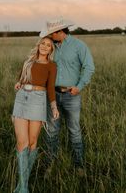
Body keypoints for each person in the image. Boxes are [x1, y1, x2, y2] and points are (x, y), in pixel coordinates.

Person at [40, 18, 95, 176]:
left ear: (60, 32)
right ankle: (50, 165)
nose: (49, 37)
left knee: (74, 131)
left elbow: (89, 67)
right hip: (52, 95)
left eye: (52, 34)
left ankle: (79, 166)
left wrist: (79, 86)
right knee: (51, 131)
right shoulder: (51, 47)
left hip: (71, 96)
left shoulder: (79, 46)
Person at [11, 36, 59, 193]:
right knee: (21, 143)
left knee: (32, 143)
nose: (45, 46)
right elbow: (21, 78)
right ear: (38, 46)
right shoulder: (28, 61)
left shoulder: (52, 66)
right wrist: (19, 82)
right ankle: (24, 188)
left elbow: (50, 87)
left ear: (51, 49)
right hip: (22, 99)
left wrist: (53, 107)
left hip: (38, 101)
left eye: (48, 45)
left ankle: (21, 185)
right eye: (43, 44)